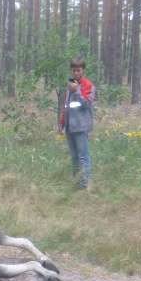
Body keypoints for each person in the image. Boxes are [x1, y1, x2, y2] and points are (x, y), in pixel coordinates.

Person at [58, 58, 95, 189]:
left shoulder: (88, 85)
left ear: (83, 71)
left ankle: (85, 185)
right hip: (69, 127)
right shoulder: (70, 85)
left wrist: (77, 91)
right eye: (74, 70)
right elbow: (66, 106)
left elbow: (86, 104)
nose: (76, 73)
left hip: (81, 127)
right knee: (74, 157)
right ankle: (77, 183)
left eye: (78, 70)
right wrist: (62, 123)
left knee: (83, 157)